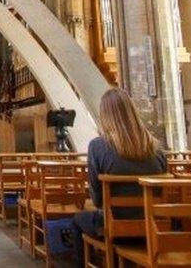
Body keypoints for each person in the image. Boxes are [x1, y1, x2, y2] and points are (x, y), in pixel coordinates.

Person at [68, 87, 167, 267]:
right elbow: (161, 193)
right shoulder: (157, 148)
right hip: (154, 229)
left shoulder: (98, 146)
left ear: (105, 116)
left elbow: (98, 200)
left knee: (77, 220)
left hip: (117, 230)